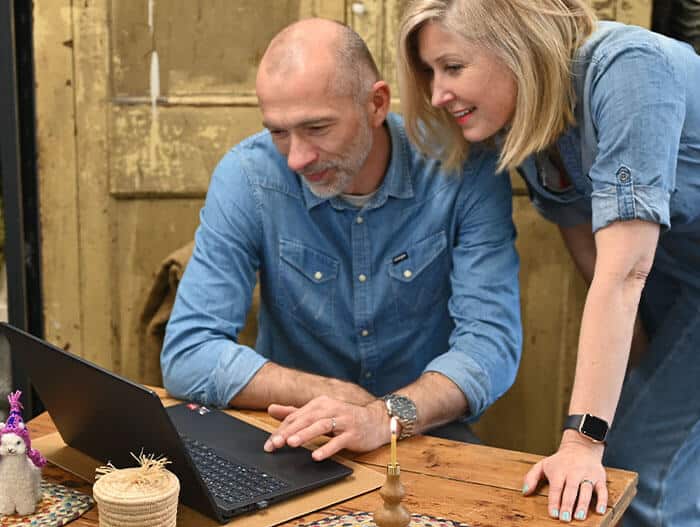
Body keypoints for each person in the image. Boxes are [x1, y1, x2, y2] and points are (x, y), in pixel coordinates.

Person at [397, 1, 700, 527]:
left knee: (649, 475)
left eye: (453, 67)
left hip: (666, 277)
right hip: (670, 283)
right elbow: (593, 258)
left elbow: (626, 271)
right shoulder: (531, 116)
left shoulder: (627, 68)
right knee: (635, 448)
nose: (438, 94)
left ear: (513, 45)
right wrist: (630, 397)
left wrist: (583, 440)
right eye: (429, 72)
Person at [161, 18, 522, 462]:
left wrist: (382, 417)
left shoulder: (463, 170)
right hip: (294, 439)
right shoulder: (248, 177)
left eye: (317, 129)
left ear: (376, 104)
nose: (295, 158)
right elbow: (190, 352)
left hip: (420, 437)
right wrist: (333, 395)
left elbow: (490, 347)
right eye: (278, 131)